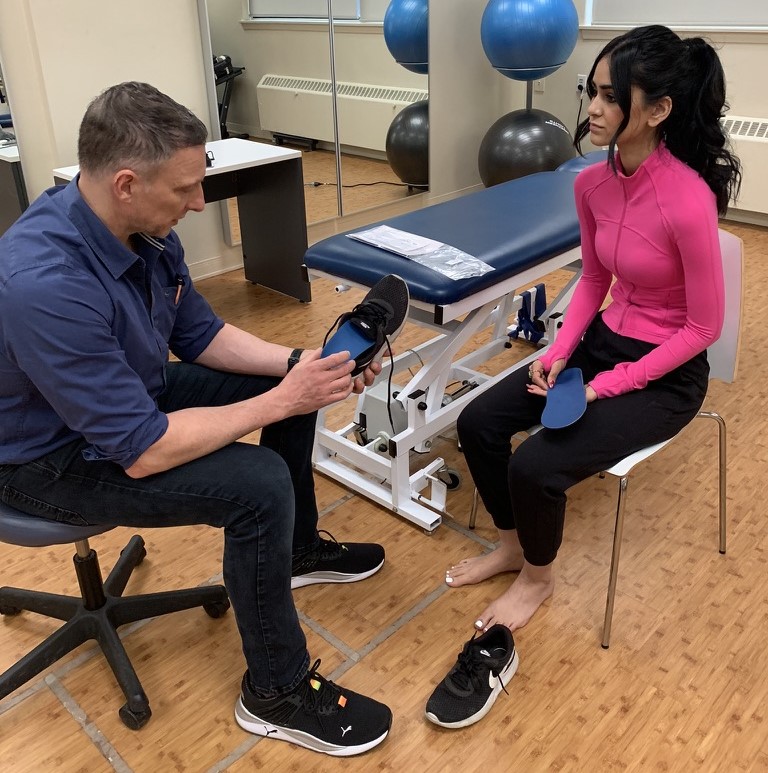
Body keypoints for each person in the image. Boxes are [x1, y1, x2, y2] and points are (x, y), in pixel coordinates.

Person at [0, 82, 393, 756]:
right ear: (126, 183)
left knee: (285, 381)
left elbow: (201, 333)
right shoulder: (45, 282)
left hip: (125, 399)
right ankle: (275, 690)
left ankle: (295, 549)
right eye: (184, 189)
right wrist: (283, 399)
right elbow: (143, 450)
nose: (198, 202)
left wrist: (305, 365)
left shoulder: (142, 229)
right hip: (44, 458)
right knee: (259, 483)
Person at [446, 26, 741, 634]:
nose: (593, 109)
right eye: (592, 92)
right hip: (603, 345)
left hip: (666, 375)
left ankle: (537, 579)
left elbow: (704, 326)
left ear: (658, 110)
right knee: (478, 422)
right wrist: (559, 350)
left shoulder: (687, 200)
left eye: (611, 97)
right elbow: (594, 278)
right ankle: (511, 547)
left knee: (537, 467)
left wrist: (610, 386)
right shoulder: (592, 182)